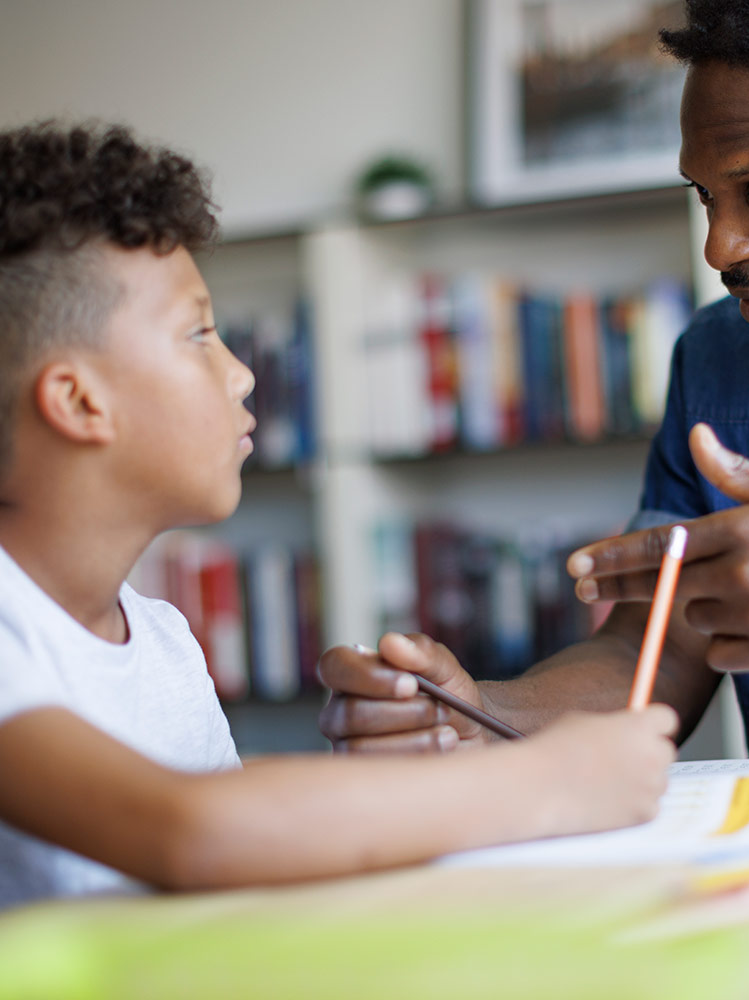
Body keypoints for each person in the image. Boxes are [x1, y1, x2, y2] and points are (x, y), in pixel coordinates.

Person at [0, 121, 678, 909]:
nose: (244, 376)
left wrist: (395, 787)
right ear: (80, 402)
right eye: (198, 334)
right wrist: (548, 781)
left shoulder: (159, 639)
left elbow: (228, 865)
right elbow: (190, 831)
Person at [319, 0, 749, 760]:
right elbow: (656, 650)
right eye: (705, 196)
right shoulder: (720, 355)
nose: (719, 247)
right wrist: (475, 715)